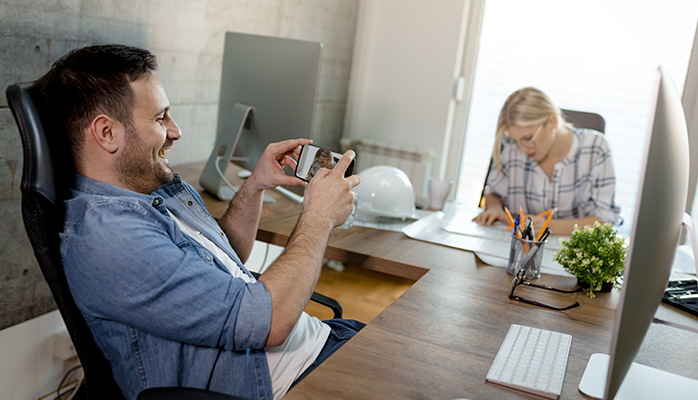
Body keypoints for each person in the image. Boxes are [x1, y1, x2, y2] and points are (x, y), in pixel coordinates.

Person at [35, 44, 363, 400]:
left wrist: (255, 186)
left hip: (320, 341)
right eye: (161, 118)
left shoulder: (152, 188)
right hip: (289, 381)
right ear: (107, 132)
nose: (176, 131)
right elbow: (270, 322)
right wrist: (318, 216)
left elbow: (226, 257)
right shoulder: (109, 237)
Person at [473, 87, 621, 235]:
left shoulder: (596, 147)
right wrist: (494, 208)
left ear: (553, 121)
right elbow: (493, 193)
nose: (522, 149)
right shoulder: (513, 149)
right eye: (515, 140)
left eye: (527, 139)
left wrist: (549, 226)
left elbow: (604, 221)